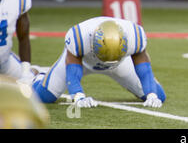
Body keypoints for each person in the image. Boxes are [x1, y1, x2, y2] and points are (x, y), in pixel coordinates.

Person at [32, 16, 166, 108]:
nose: (108, 59)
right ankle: (39, 75)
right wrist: (78, 95)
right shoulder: (79, 36)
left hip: (120, 63)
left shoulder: (134, 35)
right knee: (43, 97)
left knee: (159, 96)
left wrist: (151, 95)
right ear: (92, 43)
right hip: (84, 61)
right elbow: (72, 69)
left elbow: (144, 67)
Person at [0, 0, 35, 83]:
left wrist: (25, 72)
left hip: (4, 61)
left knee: (33, 87)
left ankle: (33, 71)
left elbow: (24, 38)